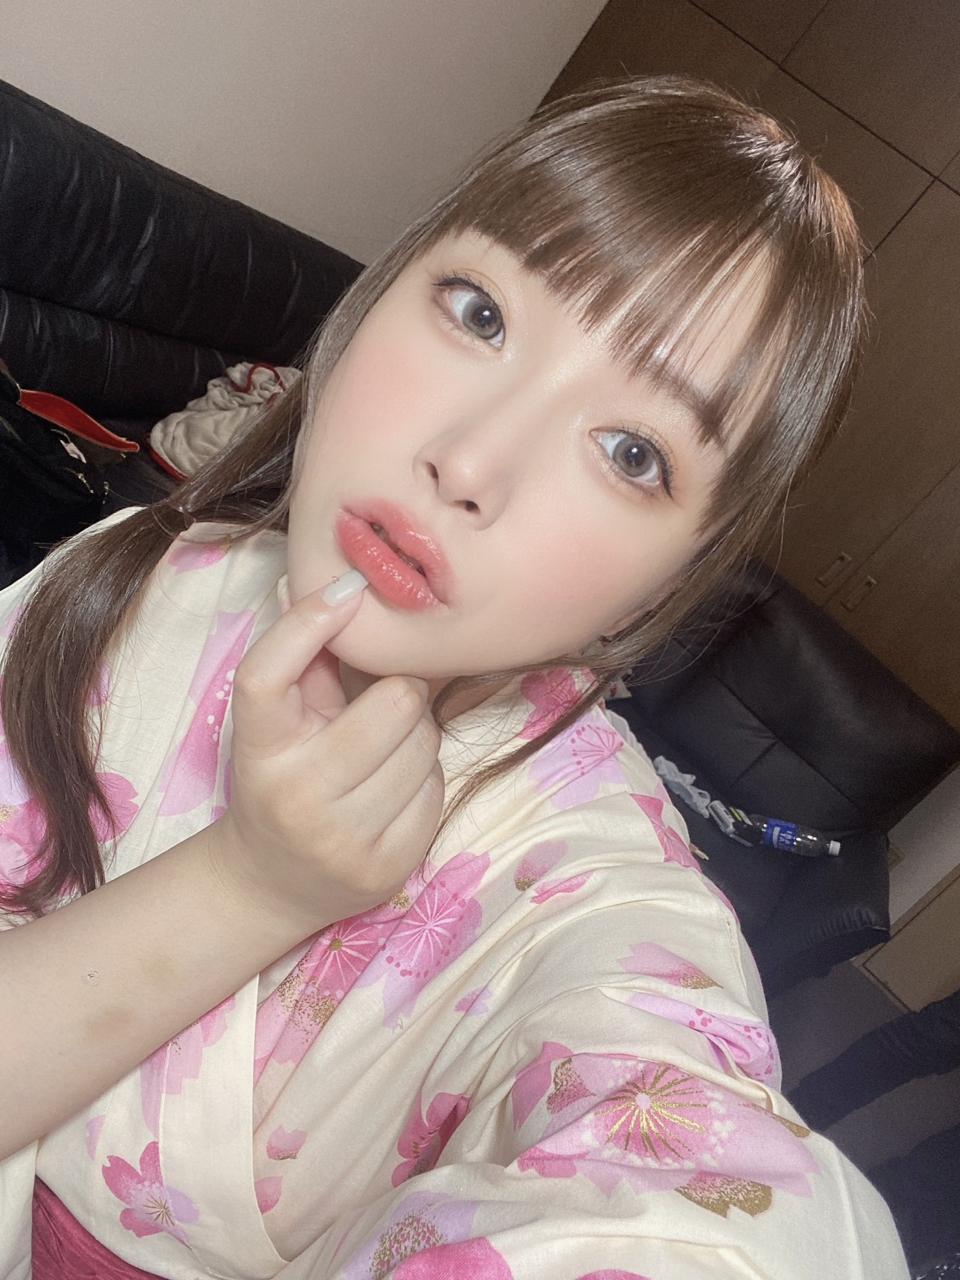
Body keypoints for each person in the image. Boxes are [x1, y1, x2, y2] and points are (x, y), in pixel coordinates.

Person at [0, 73, 908, 1278]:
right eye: (480, 313)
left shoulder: (586, 883)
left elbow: (699, 1181)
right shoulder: (148, 571)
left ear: (669, 582)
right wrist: (253, 880)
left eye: (631, 452)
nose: (469, 462)